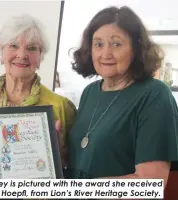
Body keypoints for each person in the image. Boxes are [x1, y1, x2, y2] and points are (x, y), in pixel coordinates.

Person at [65, 6, 178, 188]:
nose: (106, 54)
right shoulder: (90, 92)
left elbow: (149, 184)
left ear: (136, 48)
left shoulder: (155, 95)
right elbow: (85, 157)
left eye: (116, 44)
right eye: (98, 44)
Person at [0, 14, 76, 179]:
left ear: (40, 57)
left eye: (32, 48)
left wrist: (59, 156)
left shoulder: (61, 106)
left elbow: (72, 167)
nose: (22, 54)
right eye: (13, 45)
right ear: (1, 53)